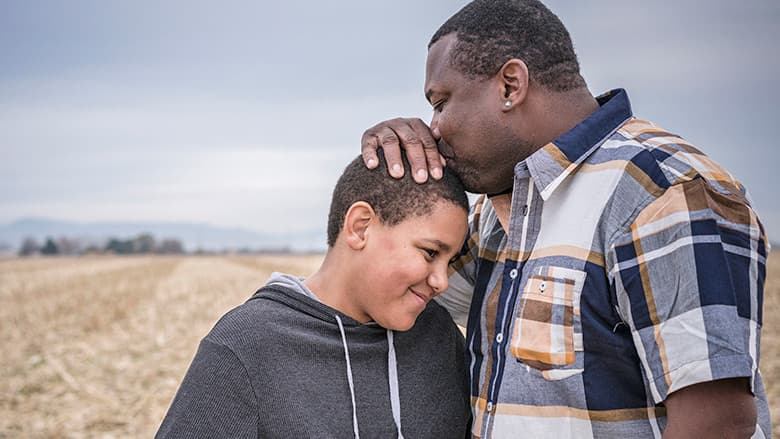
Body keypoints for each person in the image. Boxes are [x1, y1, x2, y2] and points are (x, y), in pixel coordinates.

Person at [361, 0, 771, 437]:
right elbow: (392, 292)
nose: (434, 126)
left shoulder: (662, 190)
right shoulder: (497, 210)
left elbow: (718, 422)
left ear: (510, 85)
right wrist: (397, 175)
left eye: (441, 103)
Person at [156, 152, 472, 438]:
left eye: (451, 260)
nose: (441, 282)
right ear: (360, 227)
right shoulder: (247, 345)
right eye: (430, 252)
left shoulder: (439, 335)